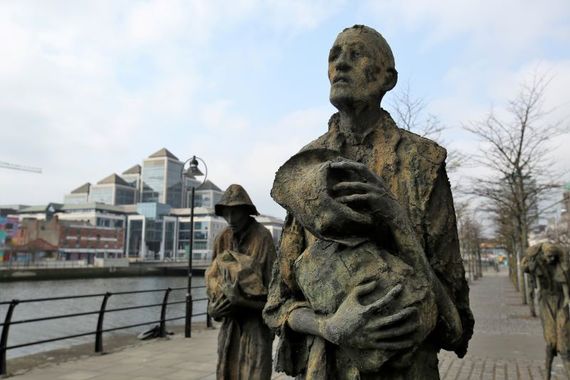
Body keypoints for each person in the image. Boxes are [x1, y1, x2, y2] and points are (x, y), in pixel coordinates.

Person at [263, 25, 474, 379]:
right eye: (334, 57)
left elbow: (455, 326)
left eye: (356, 54)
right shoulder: (305, 167)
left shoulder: (423, 161)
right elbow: (277, 305)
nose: (340, 64)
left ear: (388, 78)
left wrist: (396, 220)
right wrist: (329, 326)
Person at [205, 184, 276, 380]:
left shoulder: (263, 238)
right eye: (226, 214)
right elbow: (213, 282)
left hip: (256, 327)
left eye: (235, 213)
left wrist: (242, 301)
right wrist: (213, 310)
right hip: (230, 327)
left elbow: (274, 298)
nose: (230, 219)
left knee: (255, 373)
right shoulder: (221, 239)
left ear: (246, 211)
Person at [524, 243, 570, 380]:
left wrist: (567, 299)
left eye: (552, 257)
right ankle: (547, 374)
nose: (550, 259)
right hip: (546, 302)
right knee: (550, 341)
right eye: (548, 257)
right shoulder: (537, 262)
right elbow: (526, 268)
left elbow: (565, 284)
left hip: (562, 302)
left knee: (564, 343)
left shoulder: (561, 264)